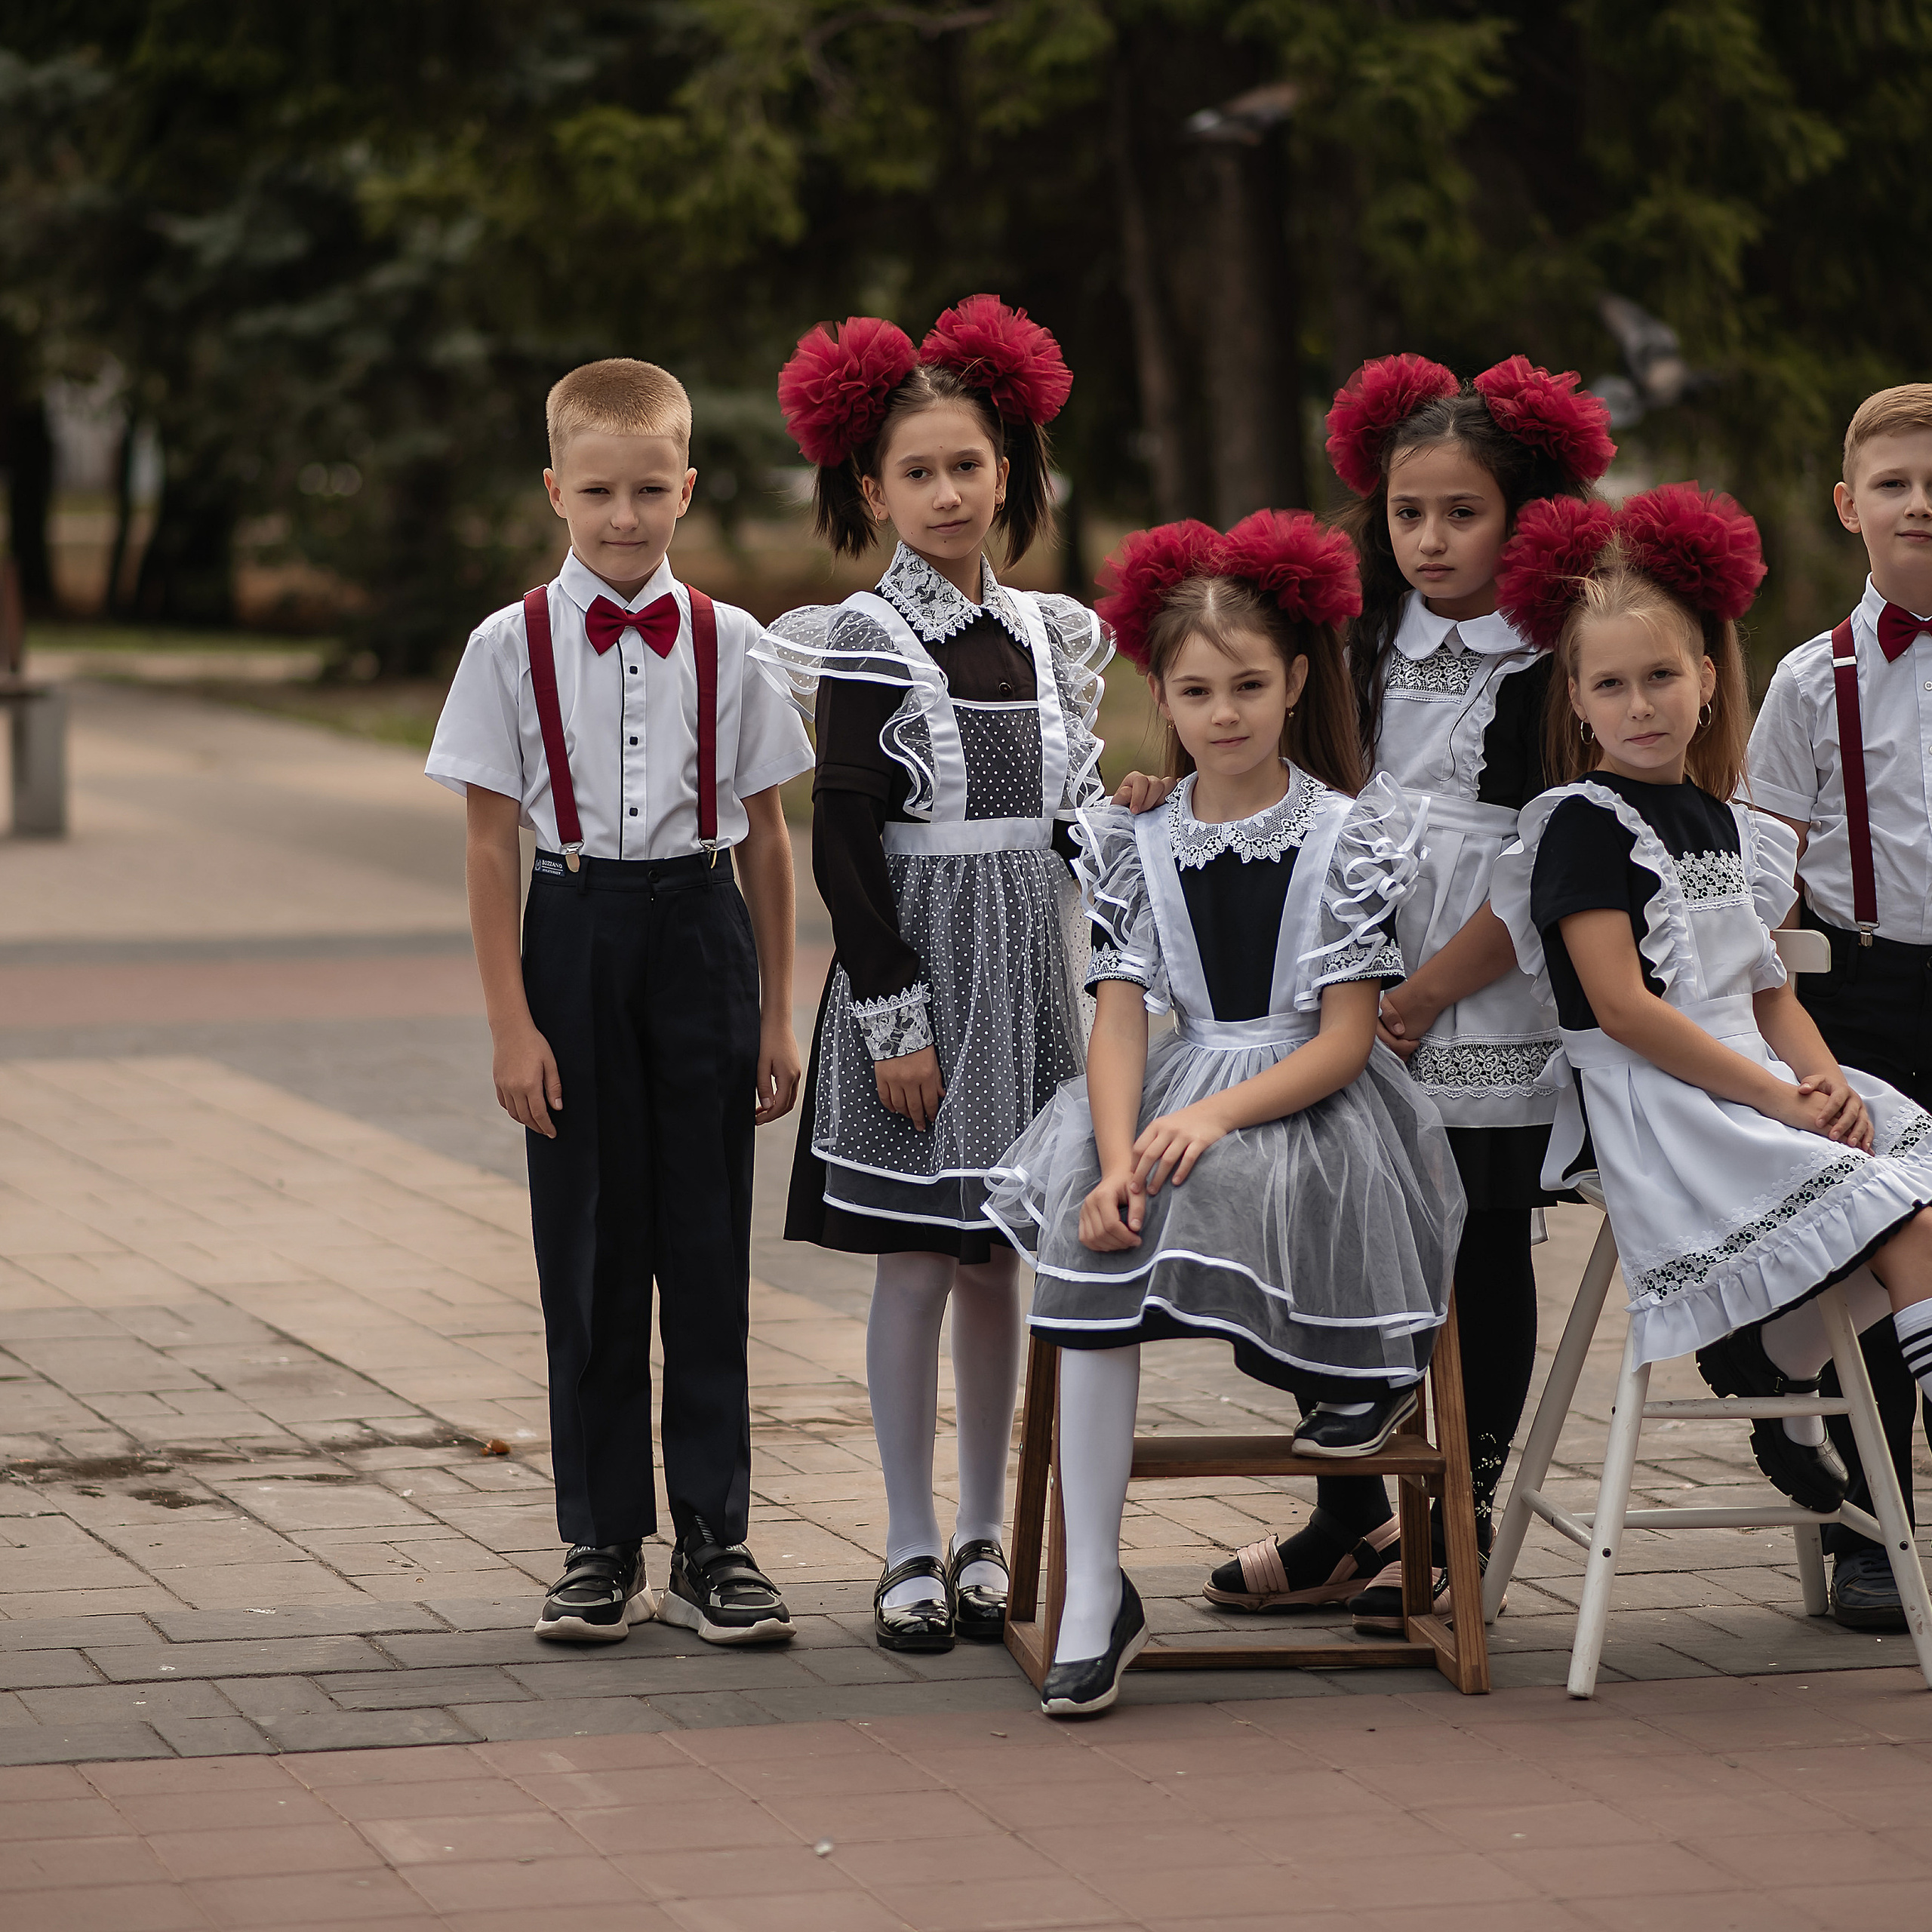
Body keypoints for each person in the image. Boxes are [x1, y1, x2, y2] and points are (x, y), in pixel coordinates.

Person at [1113, 356, 1617, 1628]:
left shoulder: (1552, 656)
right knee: (1319, 1215)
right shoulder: (1360, 636)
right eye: (1409, 513)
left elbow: (1546, 859)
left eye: (1463, 513)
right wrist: (1161, 794)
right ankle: (1352, 1518)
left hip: (1477, 987)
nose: (1432, 539)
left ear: (1521, 516)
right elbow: (1268, 766)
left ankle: (1462, 1519)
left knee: (1475, 1241)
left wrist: (1429, 991)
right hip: (1335, 974)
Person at [987, 512, 1465, 1717]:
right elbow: (1118, 1022)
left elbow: (1347, 1040)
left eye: (1250, 686)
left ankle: (1356, 1374)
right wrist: (1111, 1159)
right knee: (1101, 1225)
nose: (1226, 713)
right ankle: (1095, 1594)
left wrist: (1211, 1122)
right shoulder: (1132, 835)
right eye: (1197, 692)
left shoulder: (1350, 837)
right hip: (1167, 1086)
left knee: (1235, 1173)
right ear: (1162, 696)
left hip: (1313, 1097)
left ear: (1297, 682)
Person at [426, 358, 813, 1646]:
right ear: (555, 490)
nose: (625, 517)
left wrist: (776, 1013)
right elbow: (491, 846)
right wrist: (510, 1023)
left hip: (702, 935)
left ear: (686, 487)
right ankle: (600, 1543)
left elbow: (769, 839)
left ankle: (714, 1541)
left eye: (650, 490)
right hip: (574, 933)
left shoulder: (734, 641)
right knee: (587, 1249)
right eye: (598, 493)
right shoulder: (507, 645)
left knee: (705, 1247)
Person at [755, 298, 1111, 1654]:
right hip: (921, 985)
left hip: (1029, 983)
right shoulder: (864, 636)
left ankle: (981, 1533)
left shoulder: (1045, 636)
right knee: (914, 1262)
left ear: (1005, 472)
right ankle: (906, 1540)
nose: (948, 492)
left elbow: (1063, 821)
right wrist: (892, 1015)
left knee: (995, 1264)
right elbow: (843, 839)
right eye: (919, 472)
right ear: (873, 491)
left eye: (968, 465)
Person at [1487, 485, 1932, 1549]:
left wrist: (1824, 1083)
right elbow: (1623, 1009)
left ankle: (1771, 1364)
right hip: (1664, 1102)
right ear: (1577, 701)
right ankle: (1776, 1370)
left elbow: (1766, 988)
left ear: (1707, 679)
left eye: (1661, 677)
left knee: (1915, 1186)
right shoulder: (1582, 825)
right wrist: (1780, 1101)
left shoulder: (1727, 823)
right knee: (1909, 1225)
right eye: (1611, 685)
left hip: (1752, 1077)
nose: (1640, 705)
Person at [1745, 383, 1932, 1629]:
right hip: (1860, 990)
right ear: (1848, 505)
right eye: (1895, 484)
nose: (1921, 505)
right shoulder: (1812, 681)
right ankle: (1874, 1525)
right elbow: (1761, 876)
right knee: (1875, 1231)